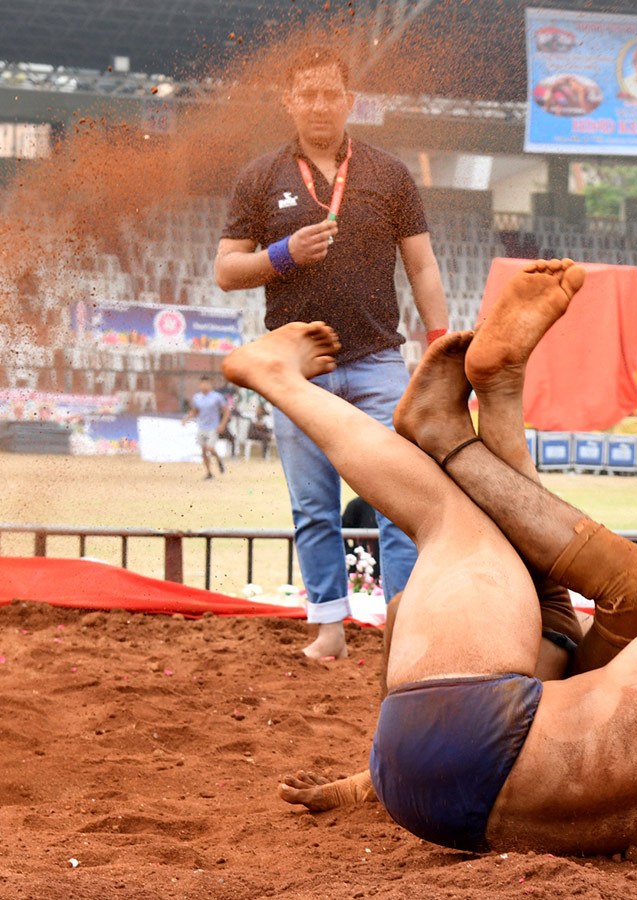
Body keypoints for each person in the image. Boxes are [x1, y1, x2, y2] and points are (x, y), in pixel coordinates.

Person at [222, 261, 637, 857]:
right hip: (433, 804)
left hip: (472, 721)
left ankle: (278, 378)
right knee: (581, 597)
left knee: (455, 520)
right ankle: (496, 396)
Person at [214, 45, 449, 660]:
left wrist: (442, 342)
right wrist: (284, 254)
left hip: (378, 361)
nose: (319, 105)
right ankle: (329, 629)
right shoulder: (260, 177)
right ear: (288, 101)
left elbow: (421, 265)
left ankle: (404, 629)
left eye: (331, 94)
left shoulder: (390, 174)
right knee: (313, 505)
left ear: (350, 101)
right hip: (297, 370)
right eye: (307, 94)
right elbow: (226, 270)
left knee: (400, 504)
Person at [181, 375, 230, 480]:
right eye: (202, 383)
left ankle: (219, 460)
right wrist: (186, 418)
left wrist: (222, 424)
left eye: (206, 383)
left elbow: (226, 410)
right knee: (203, 451)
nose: (204, 385)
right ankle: (209, 473)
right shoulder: (197, 397)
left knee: (210, 448)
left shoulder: (217, 397)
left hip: (213, 427)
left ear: (210, 384)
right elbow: (195, 411)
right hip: (202, 426)